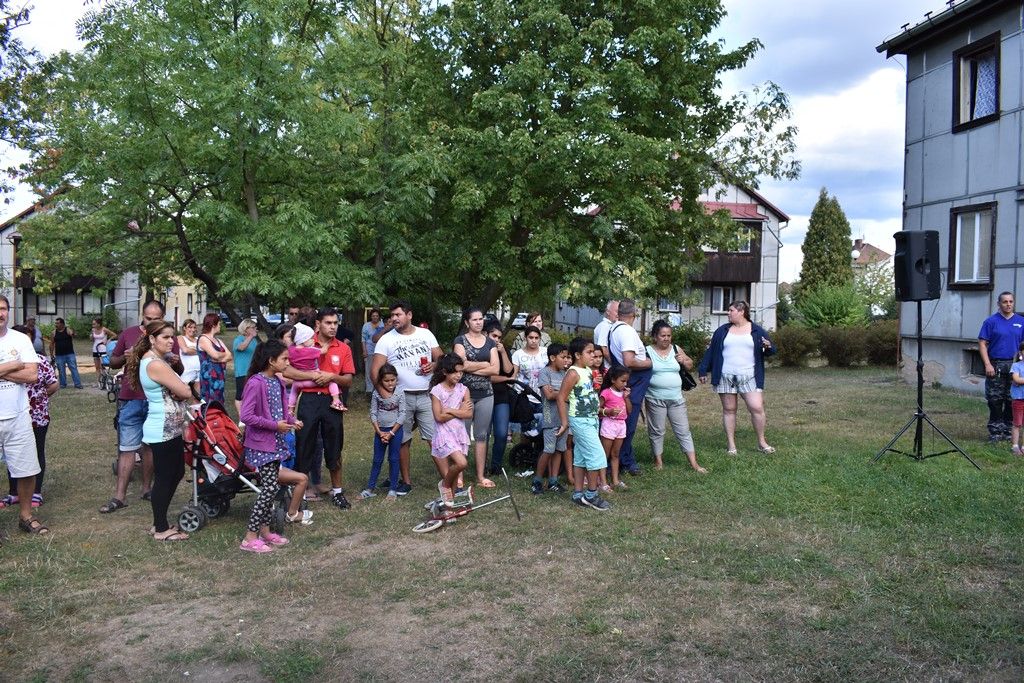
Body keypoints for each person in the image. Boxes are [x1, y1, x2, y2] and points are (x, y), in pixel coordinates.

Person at [100, 299, 182, 514]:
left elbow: (180, 371)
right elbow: (112, 361)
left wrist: (174, 361)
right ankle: (119, 496)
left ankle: (147, 489)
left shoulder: (168, 338)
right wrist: (124, 358)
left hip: (157, 401)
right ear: (142, 316)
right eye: (148, 318)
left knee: (149, 448)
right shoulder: (128, 334)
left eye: (156, 318)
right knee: (127, 446)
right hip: (131, 398)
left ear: (162, 318)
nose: (151, 322)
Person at [239, 339, 310, 553]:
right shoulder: (255, 383)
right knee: (268, 489)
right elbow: (246, 415)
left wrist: (291, 420)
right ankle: (249, 538)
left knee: (271, 489)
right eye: (284, 359)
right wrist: (274, 425)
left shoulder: (278, 382)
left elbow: (281, 410)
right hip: (261, 445)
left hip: (275, 442)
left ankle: (265, 531)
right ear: (271, 361)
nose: (288, 363)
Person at [126, 320, 194, 541]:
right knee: (165, 476)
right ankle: (161, 528)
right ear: (152, 339)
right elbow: (184, 390)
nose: (171, 341)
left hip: (171, 427)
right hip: (161, 427)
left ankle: (160, 522)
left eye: (172, 336)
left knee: (177, 473)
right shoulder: (155, 363)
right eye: (165, 337)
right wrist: (181, 388)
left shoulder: (158, 360)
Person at [369, 300, 443, 495]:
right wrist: (386, 396)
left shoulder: (425, 334)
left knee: (434, 438)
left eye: (398, 315)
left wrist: (434, 366)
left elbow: (441, 357)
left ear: (409, 315)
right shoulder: (386, 339)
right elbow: (374, 371)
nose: (393, 318)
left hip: (427, 394)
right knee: (403, 440)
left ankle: (449, 481)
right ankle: (406, 482)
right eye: (392, 315)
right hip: (402, 397)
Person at [287, 307, 355, 510]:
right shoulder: (303, 342)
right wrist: (312, 377)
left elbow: (349, 380)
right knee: (304, 444)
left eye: (335, 323)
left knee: (334, 446)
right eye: (328, 323)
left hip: (331, 402)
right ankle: (301, 495)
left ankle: (338, 492)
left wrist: (331, 377)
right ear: (318, 324)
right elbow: (287, 370)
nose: (333, 327)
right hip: (308, 399)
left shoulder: (343, 348)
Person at [697, 300, 777, 455]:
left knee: (757, 407)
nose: (728, 313)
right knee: (729, 409)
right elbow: (711, 351)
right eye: (728, 310)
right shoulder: (722, 331)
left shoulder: (757, 331)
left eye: (731, 310)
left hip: (749, 376)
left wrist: (768, 347)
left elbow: (771, 351)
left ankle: (762, 442)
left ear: (742, 312)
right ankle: (732, 446)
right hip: (725, 376)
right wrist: (702, 370)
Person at [0, 296, 49, 536]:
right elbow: (23, 371)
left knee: (27, 469)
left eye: (3, 309)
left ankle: (26, 516)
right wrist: (12, 366)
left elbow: (32, 376)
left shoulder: (20, 339)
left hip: (19, 415)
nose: (0, 313)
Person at [2, 326, 57, 509]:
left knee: (32, 456)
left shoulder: (40, 360)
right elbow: (24, 374)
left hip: (35, 415)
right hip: (11, 414)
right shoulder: (11, 358)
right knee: (12, 456)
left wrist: (41, 398)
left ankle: (34, 495)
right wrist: (14, 366)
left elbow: (44, 380)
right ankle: (13, 492)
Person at [645, 320, 706, 473]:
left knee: (683, 430)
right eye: (662, 335)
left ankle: (694, 464)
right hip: (654, 398)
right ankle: (658, 462)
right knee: (657, 431)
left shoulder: (676, 349)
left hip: (676, 398)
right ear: (655, 336)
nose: (666, 338)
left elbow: (691, 364)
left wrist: (684, 360)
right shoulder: (647, 351)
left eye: (669, 335)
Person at [556, 337, 610, 511]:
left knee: (580, 457)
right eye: (589, 352)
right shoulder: (573, 373)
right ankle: (591, 494)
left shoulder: (587, 370)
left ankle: (578, 493)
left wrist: (596, 388)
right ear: (578, 355)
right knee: (597, 456)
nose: (593, 355)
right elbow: (561, 397)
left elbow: (586, 394)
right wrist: (565, 422)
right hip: (580, 420)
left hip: (591, 419)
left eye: (593, 352)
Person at [453, 307, 499, 488]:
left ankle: (480, 476)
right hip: (464, 394)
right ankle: (459, 476)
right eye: (474, 320)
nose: (479, 322)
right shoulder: (460, 341)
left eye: (481, 319)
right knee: (461, 435)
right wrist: (484, 364)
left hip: (486, 394)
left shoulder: (490, 343)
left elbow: (495, 369)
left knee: (482, 435)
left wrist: (469, 365)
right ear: (467, 322)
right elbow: (459, 365)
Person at [607, 299, 652, 475]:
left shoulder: (614, 329)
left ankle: (625, 459)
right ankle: (620, 461)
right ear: (634, 314)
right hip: (634, 380)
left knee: (625, 422)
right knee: (628, 423)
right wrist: (649, 362)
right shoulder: (626, 331)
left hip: (629, 379)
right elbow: (629, 361)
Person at [979, 291, 1024, 443]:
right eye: (1005, 302)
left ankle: (1009, 430)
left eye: (1011, 301)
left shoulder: (1021, 321)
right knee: (995, 399)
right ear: (999, 304)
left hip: (1015, 366)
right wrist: (987, 364)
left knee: (1013, 398)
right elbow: (983, 344)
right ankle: (995, 431)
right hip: (996, 365)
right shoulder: (991, 322)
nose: (1008, 304)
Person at [429, 353, 472, 506]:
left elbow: (468, 413)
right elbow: (438, 417)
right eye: (455, 372)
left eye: (461, 372)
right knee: (461, 463)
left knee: (453, 477)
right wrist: (458, 410)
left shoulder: (463, 389)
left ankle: (448, 506)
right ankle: (445, 485)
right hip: (443, 433)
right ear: (445, 372)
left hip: (458, 433)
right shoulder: (437, 391)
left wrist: (450, 410)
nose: (459, 375)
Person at [362, 363, 406, 500]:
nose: (390, 383)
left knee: (394, 459)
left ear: (396, 379)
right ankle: (370, 488)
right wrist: (379, 432)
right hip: (380, 431)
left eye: (392, 380)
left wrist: (391, 433)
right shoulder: (376, 394)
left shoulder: (400, 392)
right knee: (377, 460)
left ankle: (393, 489)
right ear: (381, 380)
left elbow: (402, 414)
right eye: (386, 381)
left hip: (395, 431)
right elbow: (373, 412)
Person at [532, 343, 569, 494]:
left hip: (564, 418)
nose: (566, 360)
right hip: (549, 418)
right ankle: (537, 480)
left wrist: (558, 392)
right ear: (553, 358)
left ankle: (553, 481)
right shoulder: (544, 373)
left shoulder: (565, 374)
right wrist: (563, 393)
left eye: (567, 357)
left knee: (559, 450)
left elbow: (564, 394)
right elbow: (548, 395)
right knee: (548, 449)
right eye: (563, 357)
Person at [287, 323, 345, 413]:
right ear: (303, 340)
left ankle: (290, 409)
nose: (313, 340)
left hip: (297, 381)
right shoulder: (310, 351)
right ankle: (336, 401)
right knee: (331, 381)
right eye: (310, 339)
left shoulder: (291, 350)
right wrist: (327, 344)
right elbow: (324, 351)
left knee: (293, 392)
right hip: (312, 379)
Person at [485, 320, 516, 475]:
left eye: (499, 337)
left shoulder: (503, 350)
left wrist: (503, 352)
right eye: (493, 335)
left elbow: (509, 370)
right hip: (484, 395)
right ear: (486, 334)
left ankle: (495, 465)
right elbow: (488, 377)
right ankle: (482, 465)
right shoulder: (481, 351)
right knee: (483, 434)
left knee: (502, 433)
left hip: (502, 396)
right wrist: (505, 379)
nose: (496, 339)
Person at [599, 366, 631, 490]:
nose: (625, 384)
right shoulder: (606, 392)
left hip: (621, 425)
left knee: (616, 454)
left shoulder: (624, 393)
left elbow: (629, 410)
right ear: (613, 379)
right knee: (604, 454)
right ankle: (603, 482)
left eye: (626, 381)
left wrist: (627, 398)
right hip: (609, 424)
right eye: (622, 381)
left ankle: (615, 480)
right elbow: (597, 409)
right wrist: (609, 411)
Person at [197, 312, 231, 404]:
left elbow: (229, 356)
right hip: (209, 378)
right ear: (213, 325)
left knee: (219, 403)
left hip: (220, 376)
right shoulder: (203, 339)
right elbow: (215, 355)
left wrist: (218, 359)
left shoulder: (218, 340)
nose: (220, 326)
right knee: (210, 402)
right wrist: (221, 356)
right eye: (219, 323)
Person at [232, 319, 259, 416]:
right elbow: (241, 347)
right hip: (242, 371)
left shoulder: (254, 341)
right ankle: (241, 416)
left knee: (252, 394)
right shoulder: (238, 339)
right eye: (253, 327)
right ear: (246, 329)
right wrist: (251, 336)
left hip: (253, 371)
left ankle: (250, 413)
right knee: (241, 394)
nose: (256, 329)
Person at [50, 317, 83, 389]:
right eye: (55, 323)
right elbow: (52, 344)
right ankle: (63, 384)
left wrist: (73, 333)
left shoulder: (67, 330)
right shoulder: (54, 332)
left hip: (69, 354)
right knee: (61, 370)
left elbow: (73, 335)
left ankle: (77, 384)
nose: (56, 325)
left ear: (62, 324)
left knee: (73, 368)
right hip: (59, 355)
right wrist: (51, 354)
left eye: (57, 323)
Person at [361, 309, 385, 394]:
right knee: (369, 371)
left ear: (379, 317)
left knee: (380, 371)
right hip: (369, 351)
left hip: (380, 351)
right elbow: (363, 339)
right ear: (370, 316)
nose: (375, 317)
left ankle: (380, 389)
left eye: (376, 316)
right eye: (373, 316)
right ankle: (369, 390)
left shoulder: (383, 325)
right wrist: (364, 351)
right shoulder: (366, 326)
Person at [90, 317, 117, 387]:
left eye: (94, 324)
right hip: (95, 349)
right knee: (97, 367)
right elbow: (92, 340)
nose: (93, 325)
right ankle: (98, 381)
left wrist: (108, 340)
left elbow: (114, 335)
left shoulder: (104, 329)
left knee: (103, 366)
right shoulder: (93, 330)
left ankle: (105, 380)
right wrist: (91, 335)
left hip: (103, 349)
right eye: (92, 324)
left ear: (99, 324)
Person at [176, 319, 200, 394]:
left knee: (197, 398)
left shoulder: (198, 339)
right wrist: (199, 351)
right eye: (190, 327)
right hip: (187, 372)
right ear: (184, 328)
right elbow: (185, 350)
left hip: (199, 372)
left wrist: (192, 349)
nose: (192, 329)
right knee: (183, 396)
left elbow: (206, 352)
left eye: (194, 327)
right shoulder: (181, 338)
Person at [592, 300, 619, 367]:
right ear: (608, 312)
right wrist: (615, 365)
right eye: (617, 311)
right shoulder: (605, 326)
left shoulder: (611, 326)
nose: (619, 314)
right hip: (606, 368)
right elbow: (603, 348)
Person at [1010, 341, 1024, 457]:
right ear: (1021, 352)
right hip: (1019, 399)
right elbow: (1017, 379)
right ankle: (1015, 446)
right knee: (1017, 423)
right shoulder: (1016, 366)